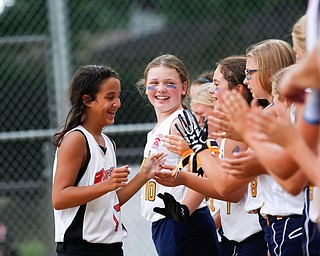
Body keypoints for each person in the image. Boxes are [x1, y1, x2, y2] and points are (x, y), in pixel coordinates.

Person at [51, 64, 166, 256]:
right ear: (87, 100)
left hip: (110, 245)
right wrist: (107, 184)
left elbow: (111, 201)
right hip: (80, 247)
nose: (117, 103)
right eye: (110, 97)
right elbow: (59, 198)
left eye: (118, 96)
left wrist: (144, 175)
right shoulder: (76, 140)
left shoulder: (108, 143)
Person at [219, 39, 304, 256]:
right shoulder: (273, 111)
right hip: (274, 221)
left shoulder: (278, 112)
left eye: (250, 73)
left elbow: (231, 183)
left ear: (268, 72)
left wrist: (199, 149)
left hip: (288, 219)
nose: (246, 81)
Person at [136, 54, 221, 256]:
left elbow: (204, 171)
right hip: (168, 223)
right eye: (154, 83)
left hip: (184, 222)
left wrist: (183, 212)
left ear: (184, 88)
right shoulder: (162, 126)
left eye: (169, 83)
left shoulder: (181, 120)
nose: (161, 89)